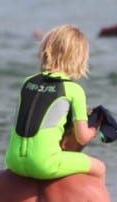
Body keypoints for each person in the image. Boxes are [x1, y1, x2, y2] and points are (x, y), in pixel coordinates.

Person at [6, 24, 107, 183]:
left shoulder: (27, 82)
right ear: (79, 58)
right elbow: (82, 138)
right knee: (99, 168)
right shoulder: (73, 90)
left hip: (13, 160)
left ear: (45, 50)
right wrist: (95, 127)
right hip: (44, 163)